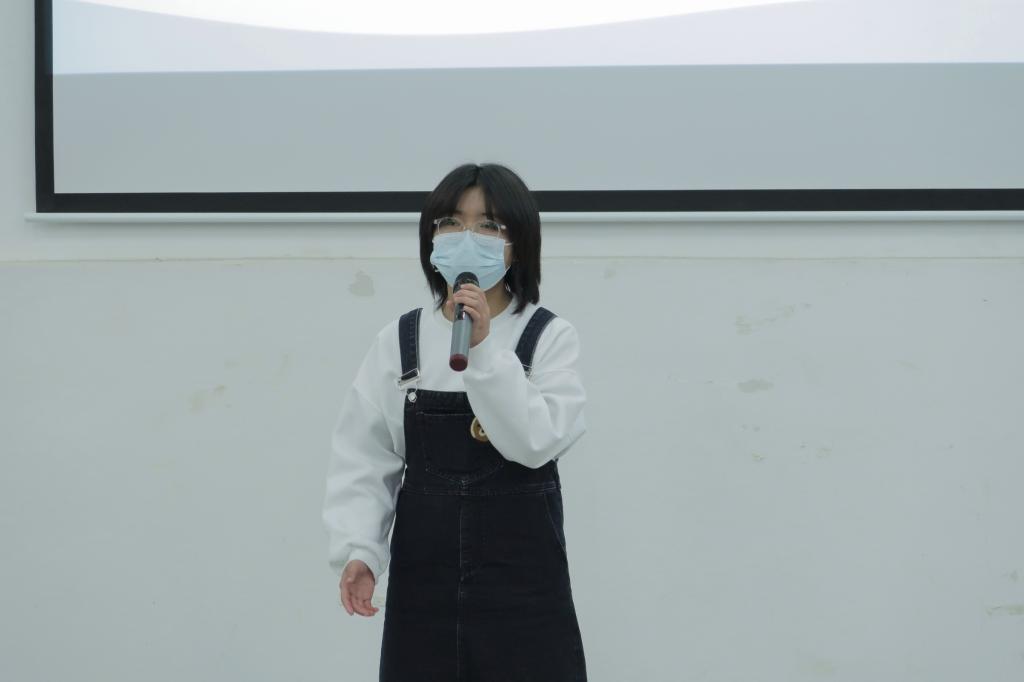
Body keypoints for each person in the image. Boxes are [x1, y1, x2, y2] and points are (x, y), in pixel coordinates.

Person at [321, 162, 588, 680]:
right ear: (431, 239)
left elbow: (537, 442)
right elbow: (364, 456)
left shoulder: (548, 336)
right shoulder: (400, 340)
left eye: (488, 225)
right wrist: (359, 550)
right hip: (426, 584)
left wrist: (484, 352)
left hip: (523, 587)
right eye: (451, 223)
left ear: (518, 245)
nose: (467, 238)